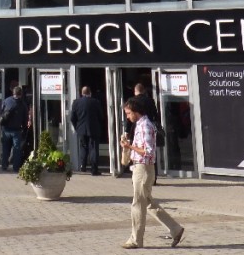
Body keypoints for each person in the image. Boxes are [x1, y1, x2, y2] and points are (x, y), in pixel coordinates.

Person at [119, 99, 184, 249]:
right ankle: (175, 229)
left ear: (136, 111)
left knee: (137, 204)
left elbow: (148, 151)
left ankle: (136, 239)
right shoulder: (140, 125)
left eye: (129, 113)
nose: (128, 116)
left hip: (143, 168)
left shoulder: (145, 126)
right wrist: (129, 146)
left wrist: (130, 146)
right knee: (147, 203)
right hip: (140, 168)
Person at [70, 86, 104, 175]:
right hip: (93, 128)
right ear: (90, 93)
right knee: (93, 148)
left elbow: (72, 117)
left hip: (81, 129)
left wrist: (77, 127)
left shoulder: (76, 103)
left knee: (83, 147)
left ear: (82, 93)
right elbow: (101, 116)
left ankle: (83, 166)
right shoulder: (95, 102)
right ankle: (94, 169)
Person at [0, 86, 29, 173]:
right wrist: (24, 127)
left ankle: (4, 165)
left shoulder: (7, 100)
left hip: (6, 129)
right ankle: (16, 167)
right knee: (16, 149)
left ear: (13, 92)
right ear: (21, 94)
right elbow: (25, 118)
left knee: (5, 148)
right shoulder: (22, 104)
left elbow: (2, 112)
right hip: (16, 130)